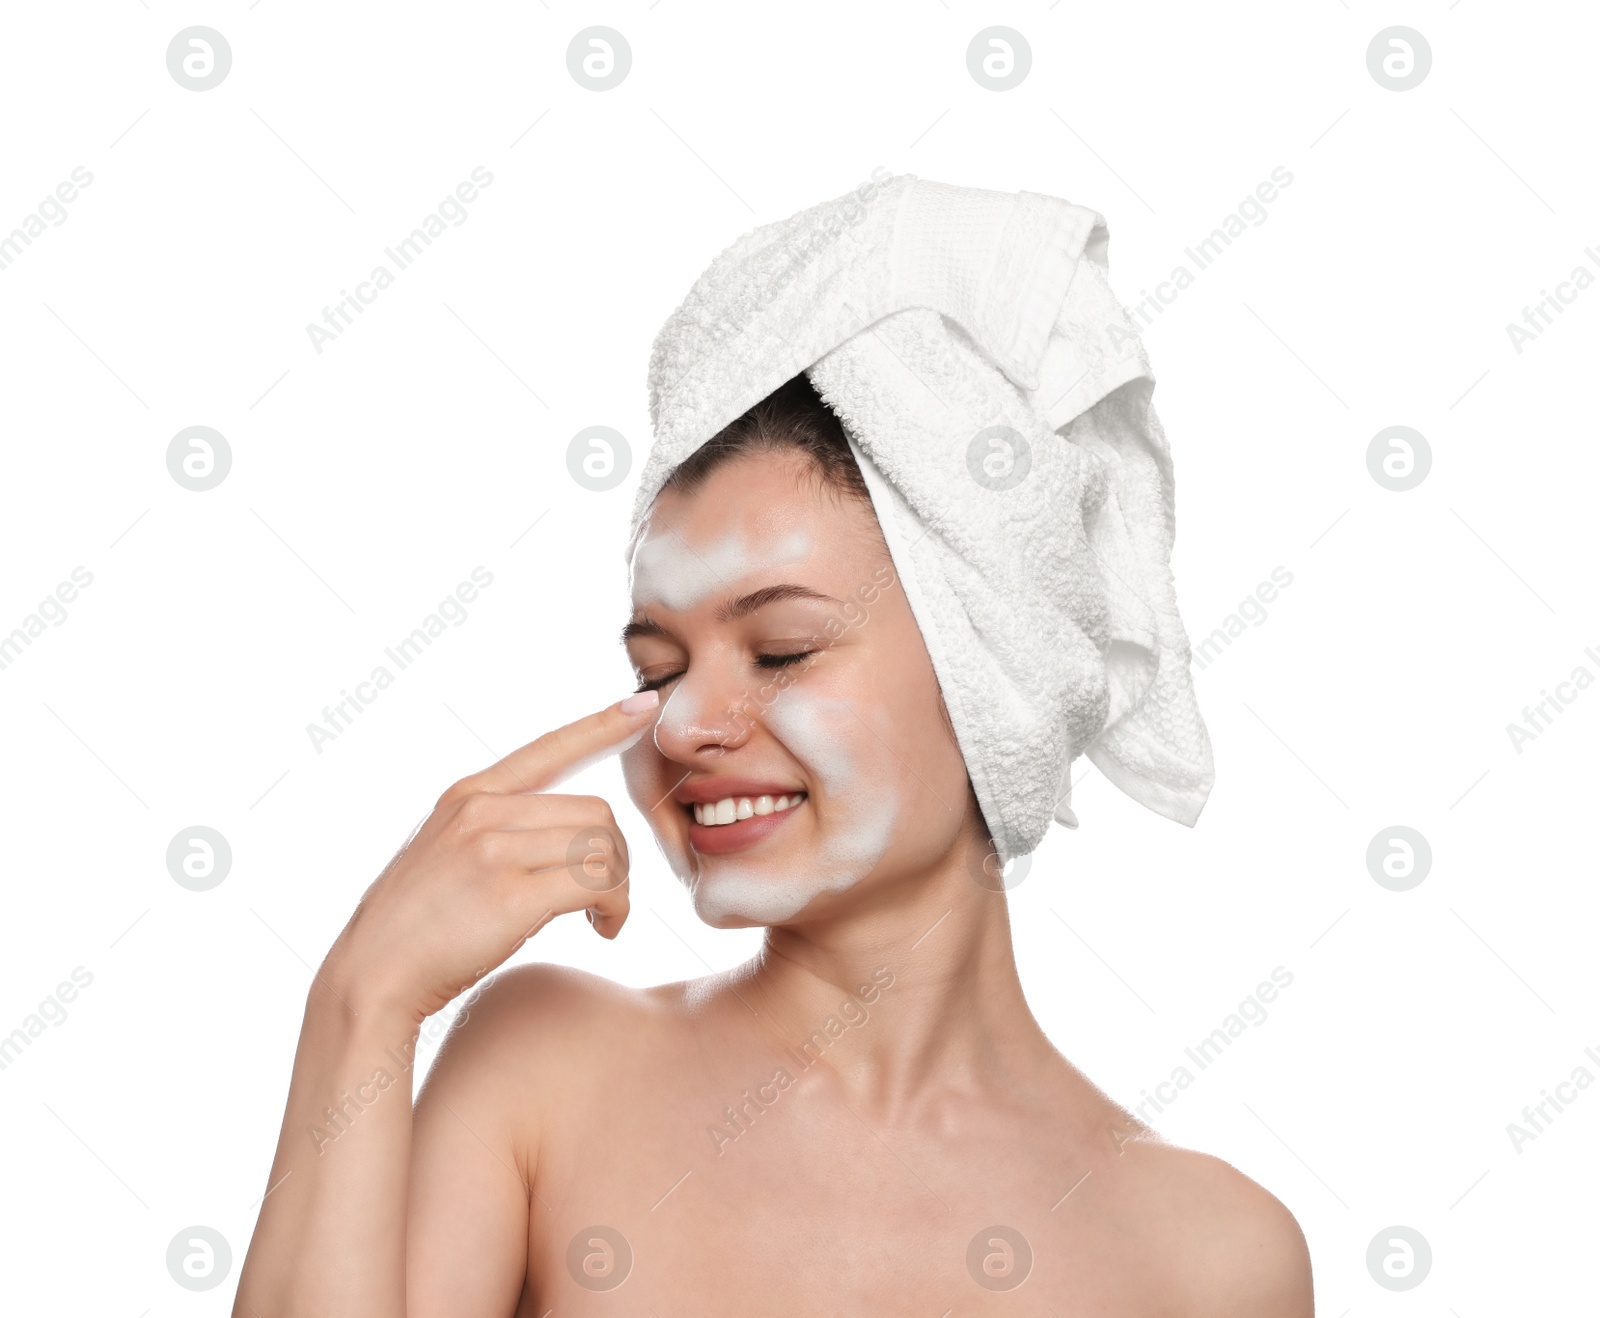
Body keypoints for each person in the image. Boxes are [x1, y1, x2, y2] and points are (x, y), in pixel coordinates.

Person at [233, 372, 1314, 1316]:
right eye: (658, 668)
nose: (681, 723)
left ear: (993, 671)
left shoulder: (1215, 1256)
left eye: (780, 649)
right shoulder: (548, 1068)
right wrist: (362, 999)